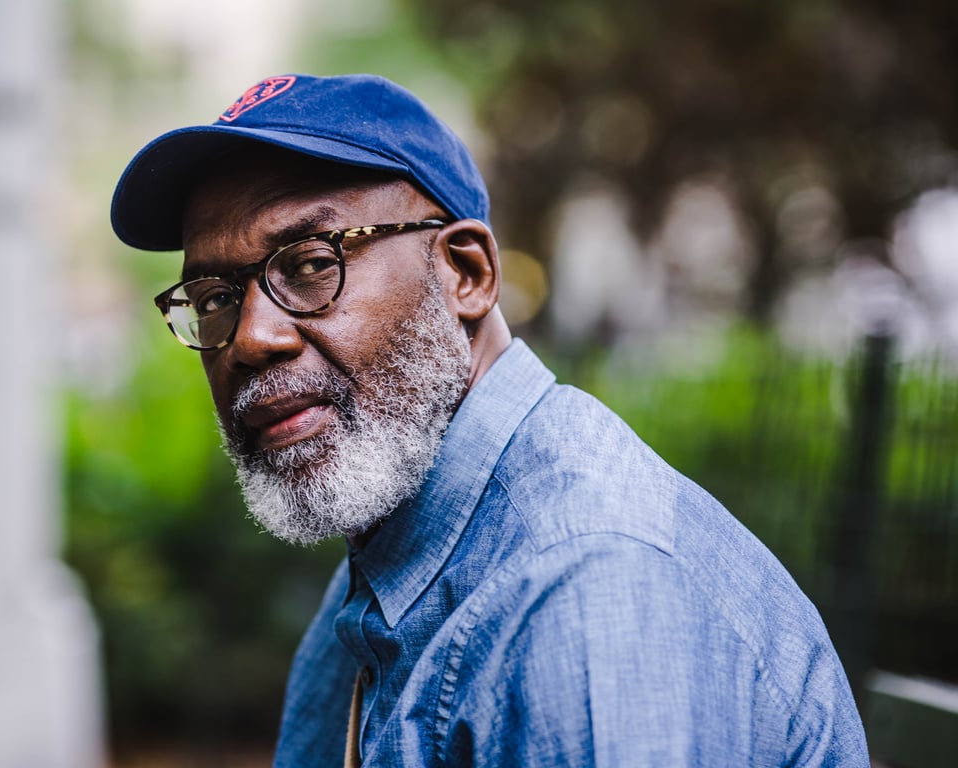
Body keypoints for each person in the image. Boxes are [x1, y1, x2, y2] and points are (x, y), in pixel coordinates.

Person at [110, 73, 868, 767]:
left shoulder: (588, 589)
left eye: (310, 263)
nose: (249, 337)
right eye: (213, 298)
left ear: (465, 274)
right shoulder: (389, 564)